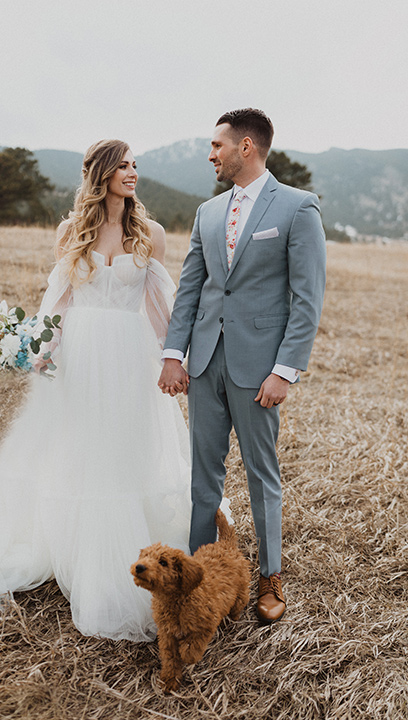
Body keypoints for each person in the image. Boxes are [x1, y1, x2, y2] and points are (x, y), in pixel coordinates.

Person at [0, 139, 192, 642]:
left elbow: (162, 306)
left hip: (129, 354)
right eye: (123, 165)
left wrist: (173, 357)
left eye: (136, 164)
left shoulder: (151, 235)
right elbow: (61, 298)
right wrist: (39, 345)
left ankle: (129, 554)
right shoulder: (72, 231)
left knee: (124, 449)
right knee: (79, 448)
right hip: (81, 355)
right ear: (101, 173)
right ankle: (75, 548)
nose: (133, 172)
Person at [158, 108, 326, 624]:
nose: (211, 155)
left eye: (217, 146)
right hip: (204, 364)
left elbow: (307, 299)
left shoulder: (299, 208)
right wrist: (173, 353)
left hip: (259, 371)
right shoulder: (208, 213)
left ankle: (270, 576)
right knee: (201, 477)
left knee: (261, 474)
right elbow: (191, 288)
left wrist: (286, 370)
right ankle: (195, 581)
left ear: (246, 147)